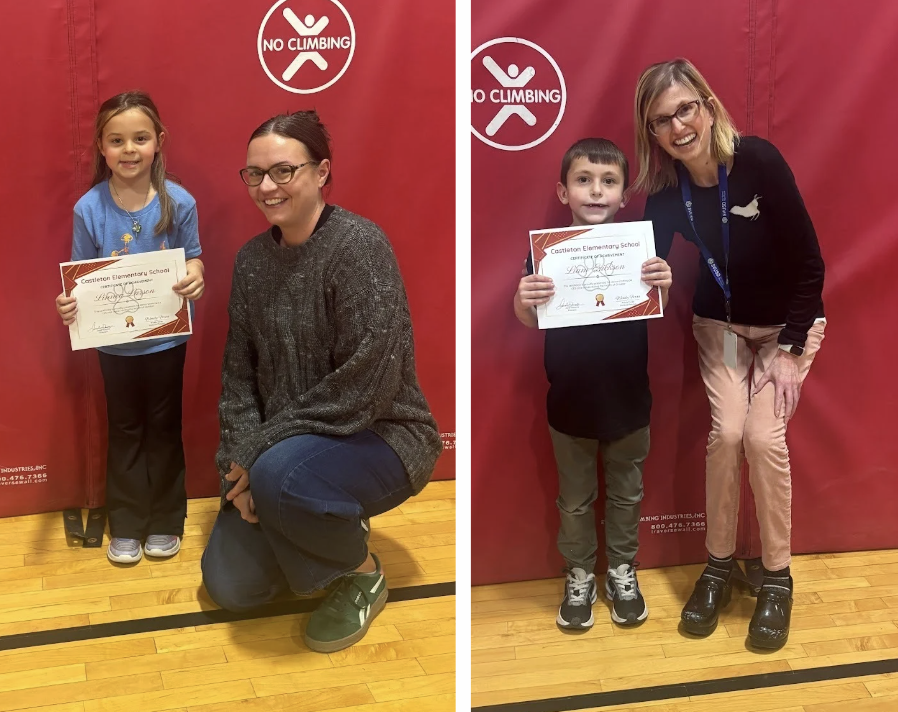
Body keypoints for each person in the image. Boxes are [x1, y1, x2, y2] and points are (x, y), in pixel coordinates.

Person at [200, 111, 442, 653]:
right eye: (254, 174)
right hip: (281, 456)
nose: (267, 187)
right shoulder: (251, 262)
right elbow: (237, 375)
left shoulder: (359, 248)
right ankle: (313, 521)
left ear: (321, 171)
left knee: (282, 478)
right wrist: (239, 465)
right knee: (232, 588)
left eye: (284, 171)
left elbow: (367, 383)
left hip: (381, 435)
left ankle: (361, 572)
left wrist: (261, 459)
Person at [634, 58, 826, 649]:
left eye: (685, 108)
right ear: (653, 134)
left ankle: (777, 576)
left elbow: (810, 265)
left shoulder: (758, 161)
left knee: (765, 441)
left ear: (707, 105)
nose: (677, 126)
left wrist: (790, 350)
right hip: (718, 323)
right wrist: (654, 276)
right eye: (661, 120)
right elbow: (642, 275)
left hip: (786, 328)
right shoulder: (667, 193)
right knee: (727, 435)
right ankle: (717, 566)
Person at [513, 138, 672, 629]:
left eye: (608, 183)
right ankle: (579, 573)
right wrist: (524, 296)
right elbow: (527, 318)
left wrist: (663, 279)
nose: (596, 192)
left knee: (627, 495)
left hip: (629, 404)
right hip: (571, 406)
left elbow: (658, 298)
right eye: (584, 181)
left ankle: (622, 570)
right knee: (575, 500)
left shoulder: (638, 252)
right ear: (564, 192)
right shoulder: (547, 255)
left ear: (625, 196)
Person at [55, 91, 205, 565]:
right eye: (117, 140)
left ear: (159, 142)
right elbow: (80, 276)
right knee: (123, 430)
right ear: (101, 147)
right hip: (114, 346)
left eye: (140, 138)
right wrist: (68, 304)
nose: (129, 149)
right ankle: (126, 522)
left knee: (163, 428)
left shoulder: (178, 202)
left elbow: (195, 256)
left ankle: (164, 520)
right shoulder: (89, 208)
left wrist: (196, 275)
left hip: (166, 339)